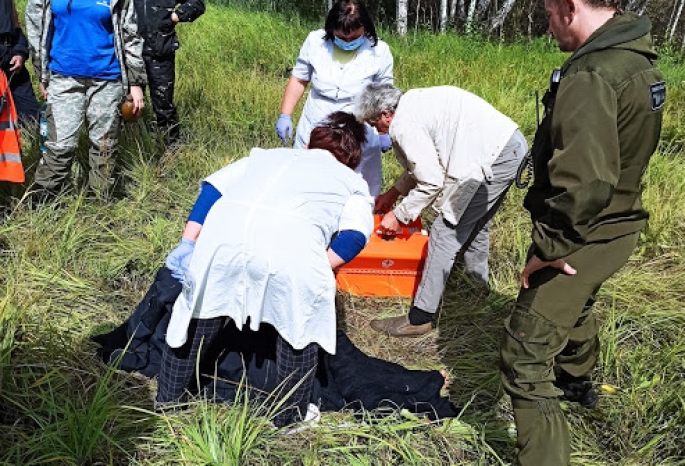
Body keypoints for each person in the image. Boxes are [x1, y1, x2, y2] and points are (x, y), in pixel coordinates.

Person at [499, 0, 664, 463]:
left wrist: (548, 248)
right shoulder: (636, 58)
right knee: (577, 302)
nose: (547, 25)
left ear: (568, 7)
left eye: (548, 13)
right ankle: (576, 381)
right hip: (619, 221)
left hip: (584, 233)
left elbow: (585, 183)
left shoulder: (592, 74)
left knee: (523, 354)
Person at [157, 112, 374, 427]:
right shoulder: (352, 182)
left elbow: (212, 191)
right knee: (299, 329)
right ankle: (289, 418)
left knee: (199, 313)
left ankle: (167, 399)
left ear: (311, 142)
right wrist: (316, 267)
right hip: (290, 251)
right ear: (352, 158)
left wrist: (188, 243)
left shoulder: (263, 157)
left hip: (222, 239)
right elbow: (354, 237)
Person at [356, 83, 527, 337]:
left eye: (373, 122)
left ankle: (419, 318)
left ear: (385, 114)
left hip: (493, 156)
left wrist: (399, 214)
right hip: (510, 145)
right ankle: (476, 287)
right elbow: (426, 163)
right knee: (477, 223)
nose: (375, 129)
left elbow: (431, 180)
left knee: (444, 231)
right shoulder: (412, 103)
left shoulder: (404, 124)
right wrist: (393, 194)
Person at [25, 0, 147, 201]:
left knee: (104, 145)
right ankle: (42, 202)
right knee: (59, 145)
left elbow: (130, 34)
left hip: (107, 80)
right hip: (63, 78)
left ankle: (99, 200)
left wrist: (135, 82)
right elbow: (36, 29)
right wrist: (42, 75)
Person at [275, 0, 393, 197]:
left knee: (358, 184)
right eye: (341, 37)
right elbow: (299, 79)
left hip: (359, 121)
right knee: (309, 179)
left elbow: (384, 93)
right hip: (318, 116)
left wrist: (384, 130)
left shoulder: (380, 51)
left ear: (365, 28)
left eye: (353, 37)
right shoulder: (315, 42)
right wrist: (285, 114)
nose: (347, 42)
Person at [133, 0, 205, 149]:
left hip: (160, 53)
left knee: (164, 106)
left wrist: (175, 16)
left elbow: (197, 3)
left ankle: (170, 151)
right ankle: (132, 147)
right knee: (128, 105)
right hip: (130, 54)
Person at [0, 0, 39, 124]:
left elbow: (15, 23)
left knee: (31, 117)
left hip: (12, 56)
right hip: (4, 55)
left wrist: (20, 51)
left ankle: (31, 141)